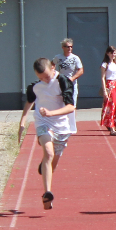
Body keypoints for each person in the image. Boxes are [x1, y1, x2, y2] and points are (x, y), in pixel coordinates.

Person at [18, 58, 76, 210]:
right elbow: (29, 102)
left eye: (47, 76)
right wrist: (22, 123)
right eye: (41, 78)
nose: (45, 80)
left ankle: (45, 169)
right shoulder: (35, 87)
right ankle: (47, 193)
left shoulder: (63, 81)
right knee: (48, 153)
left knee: (52, 163)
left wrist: (51, 113)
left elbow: (71, 107)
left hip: (62, 127)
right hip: (43, 123)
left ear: (53, 67)